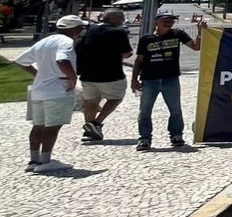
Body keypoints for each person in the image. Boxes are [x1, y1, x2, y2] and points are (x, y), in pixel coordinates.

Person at [15, 14, 87, 172]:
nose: (81, 31)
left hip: (39, 89)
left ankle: (34, 160)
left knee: (38, 126)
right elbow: (62, 60)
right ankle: (45, 161)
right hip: (58, 88)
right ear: (74, 29)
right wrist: (72, 77)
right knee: (52, 126)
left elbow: (21, 61)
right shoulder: (66, 42)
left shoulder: (44, 41)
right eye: (80, 28)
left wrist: (37, 74)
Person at [131, 10, 205, 150]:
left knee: (175, 109)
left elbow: (196, 47)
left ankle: (176, 135)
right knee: (145, 111)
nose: (169, 23)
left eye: (171, 20)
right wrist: (134, 79)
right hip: (149, 79)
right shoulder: (146, 39)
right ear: (157, 22)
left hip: (170, 78)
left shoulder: (177, 34)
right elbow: (139, 60)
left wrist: (200, 31)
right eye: (165, 20)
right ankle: (145, 138)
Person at [76, 9, 134, 141]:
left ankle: (89, 130)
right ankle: (96, 123)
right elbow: (127, 53)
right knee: (116, 98)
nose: (123, 21)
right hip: (110, 74)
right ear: (114, 19)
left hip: (88, 74)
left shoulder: (91, 30)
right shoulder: (119, 32)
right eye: (121, 18)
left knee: (91, 101)